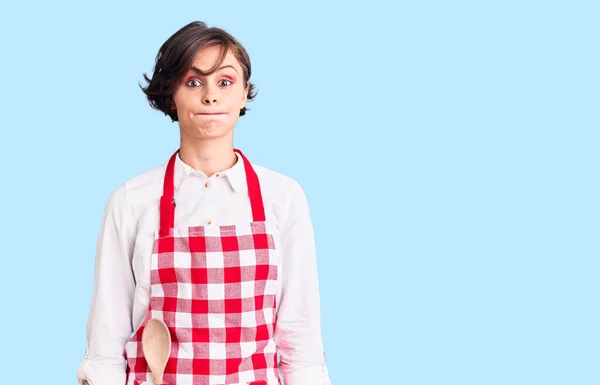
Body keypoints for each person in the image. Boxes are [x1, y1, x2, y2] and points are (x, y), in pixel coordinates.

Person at [76, 21, 331, 385]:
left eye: (225, 82)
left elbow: (300, 336)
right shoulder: (131, 201)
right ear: (170, 95)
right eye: (193, 82)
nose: (211, 96)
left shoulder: (284, 197)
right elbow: (107, 339)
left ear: (244, 94)